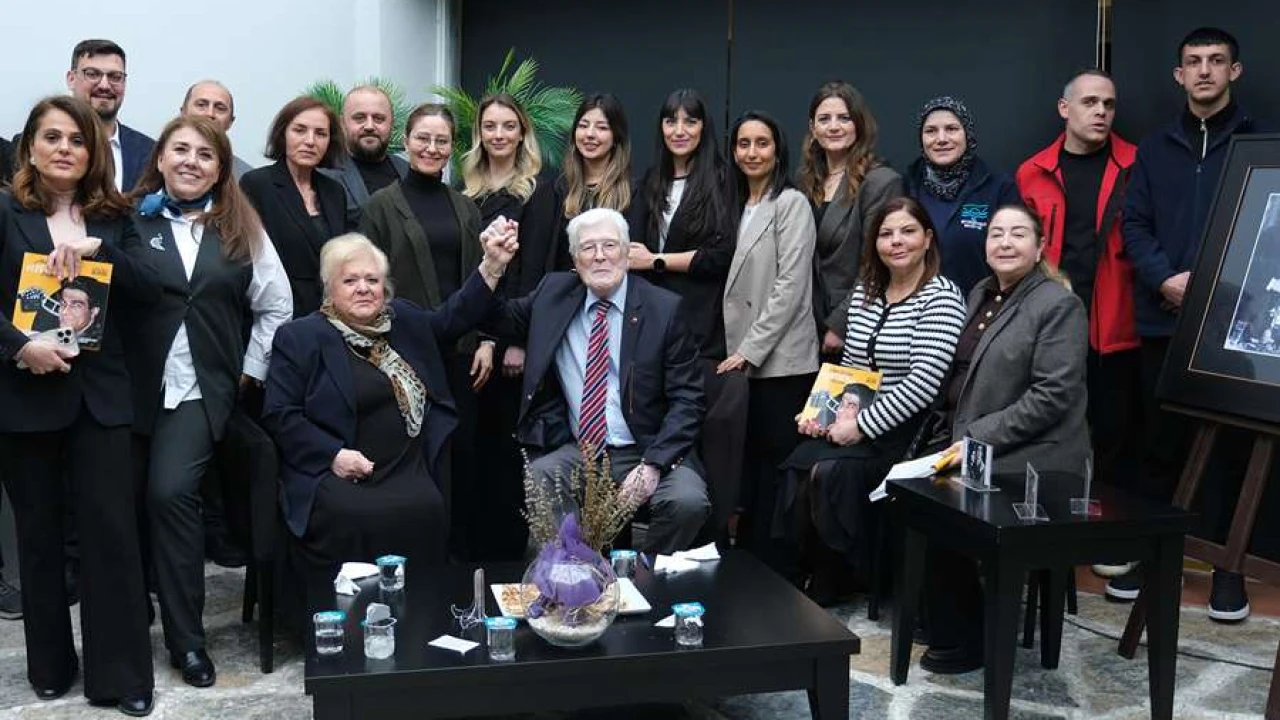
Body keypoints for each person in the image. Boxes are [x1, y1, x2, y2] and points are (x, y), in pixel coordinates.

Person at [0, 95, 157, 716]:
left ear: (93, 152)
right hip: (25, 396)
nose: (64, 148)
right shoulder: (6, 211)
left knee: (112, 536)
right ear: (31, 148)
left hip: (101, 400)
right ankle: (50, 665)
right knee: (38, 538)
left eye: (77, 140)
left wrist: (103, 253)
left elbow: (151, 289)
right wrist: (20, 347)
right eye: (52, 137)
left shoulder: (116, 217)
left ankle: (122, 676)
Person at [125, 115, 292, 689]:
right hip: (127, 390)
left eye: (205, 154)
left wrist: (249, 371)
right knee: (117, 509)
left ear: (221, 169)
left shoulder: (242, 228)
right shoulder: (127, 218)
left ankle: (188, 642)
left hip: (198, 390)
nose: (191, 161)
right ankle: (125, 629)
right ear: (160, 158)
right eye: (181, 150)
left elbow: (277, 304)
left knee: (171, 495)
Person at [263, 229, 516, 606]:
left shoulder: (405, 321)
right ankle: (349, 617)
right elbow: (280, 414)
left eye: (372, 280)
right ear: (330, 289)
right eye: (350, 281)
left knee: (427, 506)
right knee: (355, 515)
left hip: (405, 464)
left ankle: (420, 612)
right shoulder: (300, 337)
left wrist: (491, 267)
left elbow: (454, 317)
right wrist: (333, 455)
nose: (363, 289)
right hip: (334, 468)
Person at [1119, 26, 1261, 621]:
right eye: (1193, 62)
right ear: (1179, 75)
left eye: (1216, 61)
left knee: (1234, 455)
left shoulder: (1261, 143)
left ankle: (1229, 572)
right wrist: (1165, 280)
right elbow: (1134, 225)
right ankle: (1157, 561)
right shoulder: (1154, 148)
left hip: (1232, 325)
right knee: (1160, 447)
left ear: (1235, 71)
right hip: (1164, 319)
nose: (1204, 71)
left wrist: (1215, 290)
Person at [917, 204, 1088, 674]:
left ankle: (971, 636)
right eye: (996, 234)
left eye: (1018, 234)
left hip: (1035, 459)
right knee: (907, 492)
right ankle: (945, 618)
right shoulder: (981, 293)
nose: (1005, 243)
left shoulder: (1058, 305)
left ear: (1040, 246)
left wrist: (975, 437)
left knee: (945, 505)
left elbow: (1052, 397)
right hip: (974, 444)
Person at [497, 208, 710, 554]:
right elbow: (496, 318)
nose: (599, 256)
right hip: (581, 449)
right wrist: (493, 266)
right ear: (574, 260)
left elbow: (688, 400)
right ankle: (563, 574)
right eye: (588, 247)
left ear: (627, 253)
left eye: (610, 245)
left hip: (649, 446)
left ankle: (641, 573)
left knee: (687, 502)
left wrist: (653, 464)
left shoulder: (664, 309)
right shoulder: (553, 295)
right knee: (542, 474)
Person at [786, 197, 966, 603]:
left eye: (907, 231)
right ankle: (812, 570)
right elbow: (850, 371)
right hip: (861, 419)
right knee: (799, 459)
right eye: (886, 234)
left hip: (910, 433)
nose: (896, 241)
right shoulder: (866, 293)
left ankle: (844, 576)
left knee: (830, 472)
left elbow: (924, 384)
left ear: (928, 239)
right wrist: (827, 414)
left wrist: (860, 426)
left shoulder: (941, 297)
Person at [1015, 68, 1142, 578]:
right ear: (1064, 109)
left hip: (1116, 320)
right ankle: (1050, 534)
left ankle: (1111, 538)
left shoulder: (1136, 164)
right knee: (1051, 427)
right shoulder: (1032, 172)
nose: (1101, 112)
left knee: (1115, 432)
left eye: (1108, 104)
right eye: (1090, 102)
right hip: (1053, 319)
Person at [359, 103, 487, 559]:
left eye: (441, 141)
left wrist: (486, 340)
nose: (432, 148)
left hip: (462, 352)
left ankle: (457, 562)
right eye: (423, 138)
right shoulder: (379, 207)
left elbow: (482, 277)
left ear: (452, 148)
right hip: (403, 354)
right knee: (415, 454)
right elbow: (367, 281)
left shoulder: (465, 208)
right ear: (406, 142)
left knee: (462, 455)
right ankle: (415, 561)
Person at [630, 89, 742, 542]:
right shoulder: (649, 181)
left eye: (690, 121)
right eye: (671, 121)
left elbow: (721, 256)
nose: (679, 130)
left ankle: (702, 541)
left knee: (700, 432)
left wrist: (656, 261)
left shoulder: (722, 179)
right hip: (649, 324)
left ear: (704, 127)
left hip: (702, 327)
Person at [720, 111, 819, 576]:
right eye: (743, 143)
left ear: (778, 150)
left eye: (762, 143)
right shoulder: (735, 204)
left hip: (780, 360)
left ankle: (777, 572)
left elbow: (790, 286)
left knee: (776, 471)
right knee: (750, 469)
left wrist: (749, 349)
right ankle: (750, 567)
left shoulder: (791, 203)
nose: (752, 152)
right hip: (741, 358)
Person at [458, 93, 544, 559]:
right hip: (467, 332)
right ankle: (468, 549)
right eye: (490, 126)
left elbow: (533, 272)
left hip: (509, 337)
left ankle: (506, 555)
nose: (499, 135)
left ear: (522, 132)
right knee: (469, 445)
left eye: (508, 126)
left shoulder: (537, 191)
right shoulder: (463, 188)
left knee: (503, 448)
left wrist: (513, 340)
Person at [797, 82, 903, 353]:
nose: (834, 127)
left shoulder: (880, 182)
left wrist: (840, 324)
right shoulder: (805, 182)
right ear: (812, 128)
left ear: (859, 124)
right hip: (801, 320)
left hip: (848, 324)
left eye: (844, 118)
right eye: (824, 119)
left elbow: (876, 263)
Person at [240, 96, 351, 319]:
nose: (310, 141)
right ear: (283, 134)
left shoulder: (334, 191)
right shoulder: (257, 184)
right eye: (300, 130)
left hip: (331, 316)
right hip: (277, 314)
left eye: (320, 133)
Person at [905, 96, 1021, 295]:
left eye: (951, 129)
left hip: (982, 306)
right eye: (931, 131)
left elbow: (1016, 253)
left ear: (967, 134)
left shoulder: (998, 187)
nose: (941, 139)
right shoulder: (906, 187)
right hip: (919, 307)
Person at [526, 93, 634, 274]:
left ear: (616, 137)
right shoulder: (553, 192)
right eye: (583, 126)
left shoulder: (634, 194)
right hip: (564, 289)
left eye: (602, 127)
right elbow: (537, 260)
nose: (590, 134)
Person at [64, 39, 154, 192]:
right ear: (71, 79)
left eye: (115, 77)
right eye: (92, 74)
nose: (104, 85)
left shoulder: (149, 152)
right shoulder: (37, 145)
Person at [321, 85, 409, 226]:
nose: (369, 126)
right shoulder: (325, 174)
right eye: (359, 118)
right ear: (342, 123)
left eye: (379, 118)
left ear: (391, 124)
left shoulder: (408, 171)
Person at [179, 80, 253, 179]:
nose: (210, 114)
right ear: (183, 113)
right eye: (201, 105)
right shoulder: (159, 158)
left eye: (220, 108)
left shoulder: (244, 177)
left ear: (230, 122)